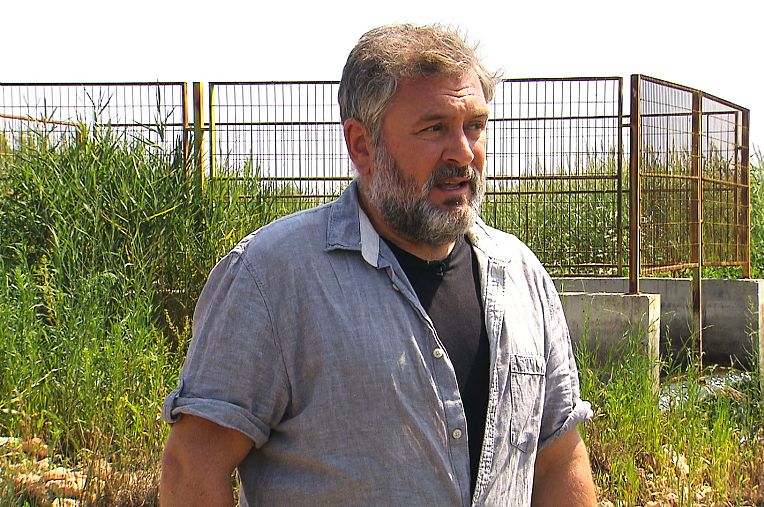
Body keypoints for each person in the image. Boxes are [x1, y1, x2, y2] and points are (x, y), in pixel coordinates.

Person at [159, 23, 596, 506]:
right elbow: (193, 464)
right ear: (362, 146)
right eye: (434, 129)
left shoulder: (521, 278)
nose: (463, 153)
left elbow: (557, 459)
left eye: (474, 126)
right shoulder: (273, 278)